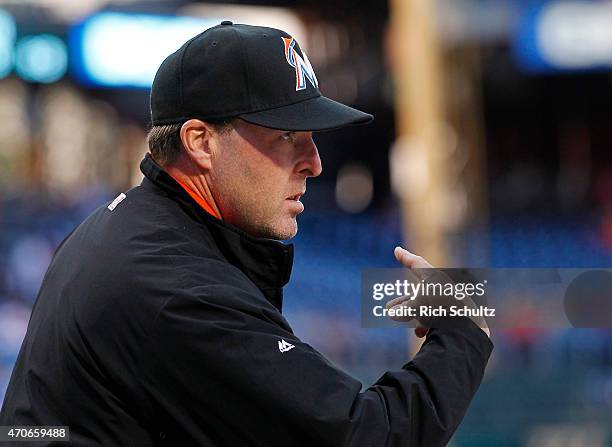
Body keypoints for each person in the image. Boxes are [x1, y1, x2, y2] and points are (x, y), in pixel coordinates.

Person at [0, 22, 492, 446]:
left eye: (312, 139)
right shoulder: (175, 288)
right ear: (200, 142)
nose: (314, 163)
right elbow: (366, 437)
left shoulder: (136, 231)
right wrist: (463, 332)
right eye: (286, 136)